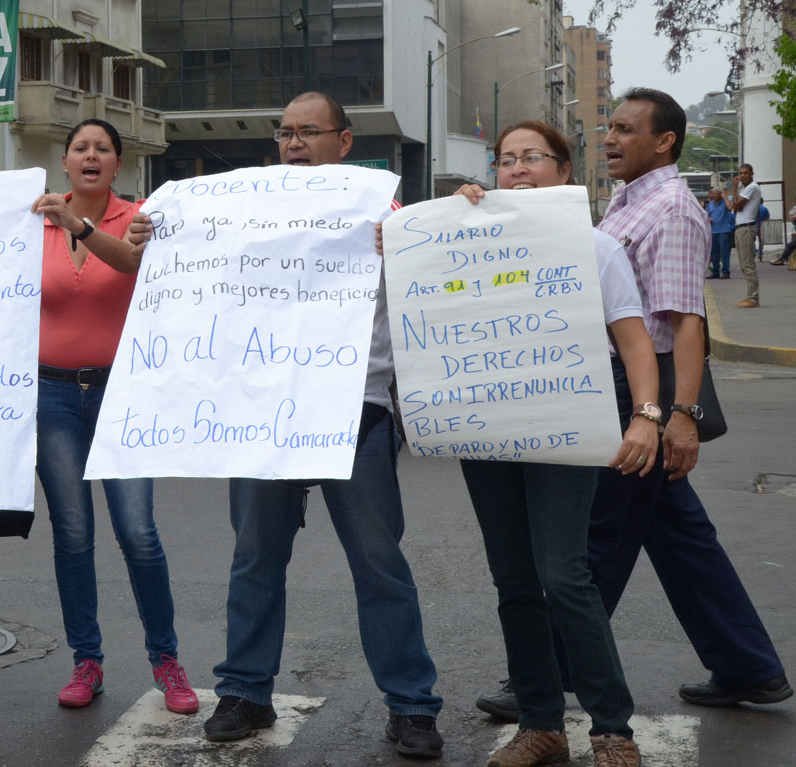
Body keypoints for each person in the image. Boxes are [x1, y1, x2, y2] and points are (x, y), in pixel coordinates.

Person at [479, 87, 791, 731]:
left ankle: (553, 673)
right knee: (678, 534)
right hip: (611, 384)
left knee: (598, 541)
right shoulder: (630, 199)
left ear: (665, 141)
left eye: (625, 128)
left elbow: (684, 323)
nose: (611, 138)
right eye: (609, 127)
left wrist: (679, 416)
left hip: (633, 391)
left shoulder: (671, 209)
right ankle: (746, 663)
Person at [195, 92, 444, 758]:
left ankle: (412, 704)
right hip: (263, 412)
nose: (295, 142)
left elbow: (444, 272)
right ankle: (245, 691)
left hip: (353, 407)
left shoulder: (388, 214)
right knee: (255, 558)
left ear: (343, 140)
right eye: (284, 133)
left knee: (379, 562)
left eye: (309, 132)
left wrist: (421, 239)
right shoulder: (244, 214)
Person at [455, 120, 656, 767]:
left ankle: (612, 728)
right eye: (505, 159)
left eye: (530, 157)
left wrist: (647, 416)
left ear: (562, 171)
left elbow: (632, 341)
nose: (515, 169)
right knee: (513, 580)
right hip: (486, 430)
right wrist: (438, 230)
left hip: (566, 423)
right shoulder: (467, 241)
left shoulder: (595, 248)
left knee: (563, 575)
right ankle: (541, 724)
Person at [28, 118, 199, 716]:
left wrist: (77, 225)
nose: (91, 155)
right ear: (66, 161)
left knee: (138, 534)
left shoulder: (140, 218)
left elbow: (128, 263)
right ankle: (87, 662)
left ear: (117, 164)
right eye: (80, 147)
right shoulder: (32, 222)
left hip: (122, 393)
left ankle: (166, 661)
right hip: (50, 397)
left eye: (102, 148)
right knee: (73, 535)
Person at [730, 163, 762, 307]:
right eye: (740, 173)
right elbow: (735, 210)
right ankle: (750, 296)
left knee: (748, 265)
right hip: (740, 228)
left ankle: (754, 298)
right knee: (744, 265)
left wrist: (735, 188)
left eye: (745, 173)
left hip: (746, 228)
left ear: (752, 174)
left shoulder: (751, 187)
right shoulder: (745, 188)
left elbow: (735, 206)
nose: (742, 176)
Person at [705, 188, 733, 278]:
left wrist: (725, 197)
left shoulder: (725, 203)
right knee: (714, 253)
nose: (714, 195)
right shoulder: (710, 204)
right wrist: (708, 219)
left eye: (716, 193)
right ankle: (715, 272)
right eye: (713, 193)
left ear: (720, 194)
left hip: (723, 231)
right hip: (713, 231)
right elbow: (707, 215)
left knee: (724, 253)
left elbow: (730, 208)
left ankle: (725, 272)